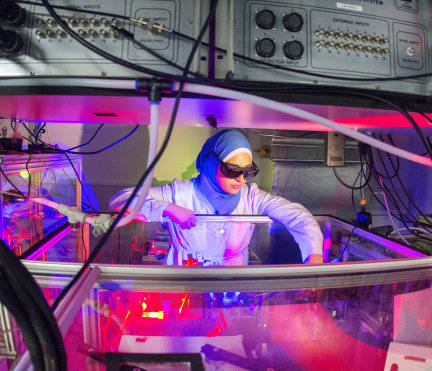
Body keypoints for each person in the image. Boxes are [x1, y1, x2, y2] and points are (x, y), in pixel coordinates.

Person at [109, 129, 323, 266]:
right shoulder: (180, 193)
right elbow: (121, 201)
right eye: (232, 170)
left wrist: (314, 257)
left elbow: (298, 216)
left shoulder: (251, 196)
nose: (240, 179)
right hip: (184, 284)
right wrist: (167, 209)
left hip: (231, 286)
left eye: (247, 172)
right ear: (210, 163)